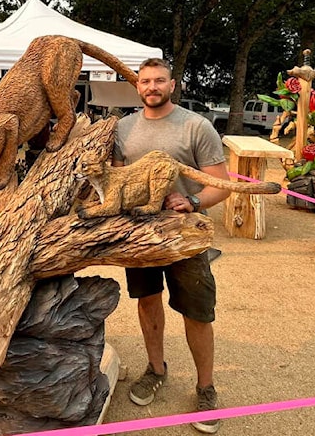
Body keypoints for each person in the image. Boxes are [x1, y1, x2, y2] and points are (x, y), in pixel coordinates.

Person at [114, 58, 230, 434]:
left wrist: (193, 202)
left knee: (197, 312)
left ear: (173, 84)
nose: (152, 87)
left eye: (159, 80)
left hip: (185, 238)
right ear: (137, 86)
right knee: (147, 302)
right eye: (145, 81)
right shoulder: (123, 129)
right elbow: (117, 181)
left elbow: (220, 185)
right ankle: (156, 369)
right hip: (140, 236)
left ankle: (205, 388)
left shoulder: (196, 125)